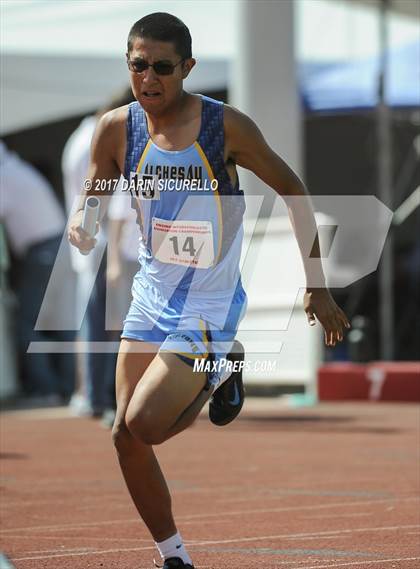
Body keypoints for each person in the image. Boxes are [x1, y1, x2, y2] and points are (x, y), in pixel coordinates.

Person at [68, 13, 350, 569]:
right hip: (151, 296)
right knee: (125, 437)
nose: (149, 78)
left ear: (187, 68)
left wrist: (316, 285)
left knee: (146, 422)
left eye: (163, 68)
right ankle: (174, 557)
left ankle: (220, 365)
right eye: (138, 65)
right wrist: (85, 220)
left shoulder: (225, 128)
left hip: (208, 303)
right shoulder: (115, 129)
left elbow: (293, 191)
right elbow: (95, 192)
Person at [0, 141, 75, 403]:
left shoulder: (5, 175)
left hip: (43, 252)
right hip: (60, 247)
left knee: (28, 324)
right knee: (64, 322)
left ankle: (47, 390)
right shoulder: (18, 169)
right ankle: (70, 387)